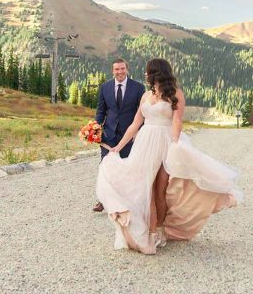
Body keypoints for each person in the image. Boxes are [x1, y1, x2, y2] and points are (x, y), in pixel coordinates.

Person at [96, 58, 242, 254]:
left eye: (148, 72)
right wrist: (118, 146)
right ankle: (147, 231)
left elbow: (177, 121)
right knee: (143, 187)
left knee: (160, 189)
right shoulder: (146, 95)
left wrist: (175, 145)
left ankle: (158, 231)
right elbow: (135, 124)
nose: (146, 75)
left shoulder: (175, 94)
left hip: (166, 142)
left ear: (157, 73)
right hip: (145, 144)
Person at [91, 58, 145, 213]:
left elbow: (142, 112)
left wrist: (138, 131)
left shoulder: (138, 87)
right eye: (117, 69)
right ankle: (103, 200)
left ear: (127, 69)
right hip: (109, 134)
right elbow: (101, 111)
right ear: (112, 71)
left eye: (122, 69)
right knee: (106, 166)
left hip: (129, 135)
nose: (120, 72)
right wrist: (95, 128)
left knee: (127, 166)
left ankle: (127, 200)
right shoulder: (105, 87)